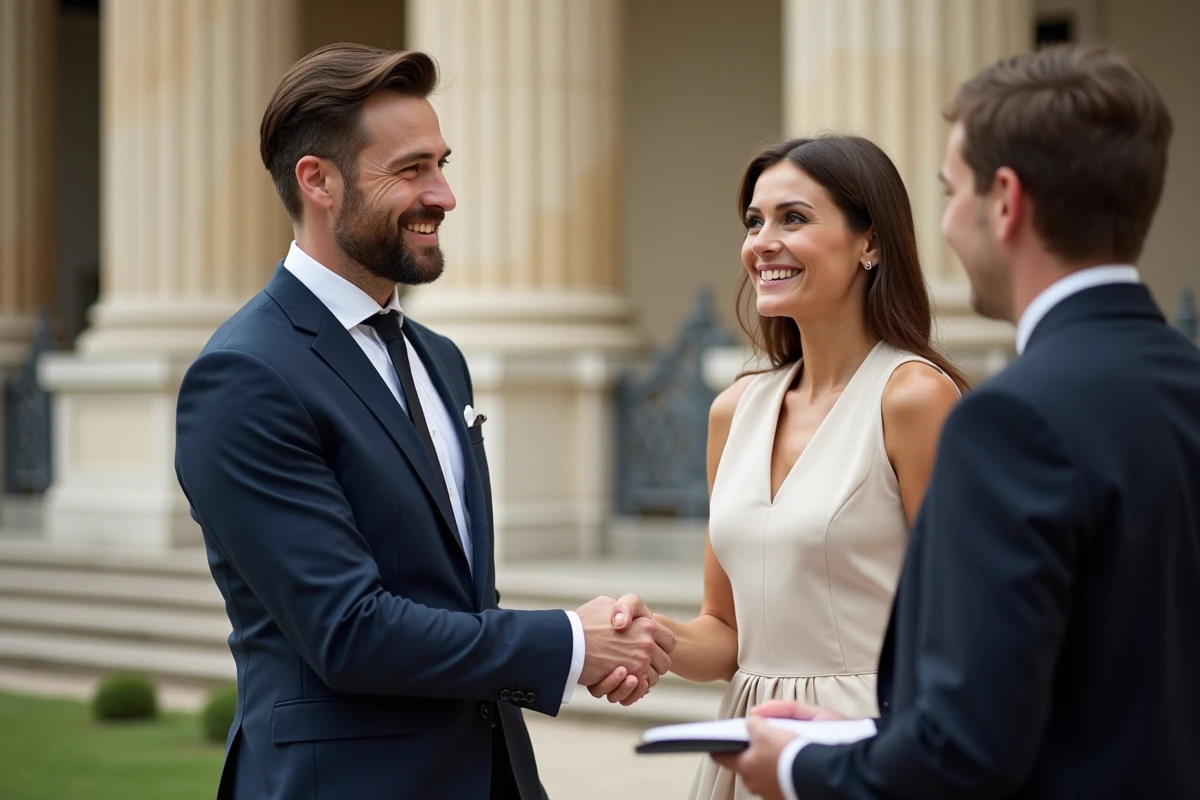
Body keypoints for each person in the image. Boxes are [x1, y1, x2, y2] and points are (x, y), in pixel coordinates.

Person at [174, 44, 673, 800]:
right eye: (411, 170)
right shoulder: (246, 375)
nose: (442, 195)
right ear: (319, 181)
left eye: (441, 164)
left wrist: (587, 653)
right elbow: (349, 632)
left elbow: (452, 596)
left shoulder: (440, 358)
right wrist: (571, 641)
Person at [719, 44, 1200, 800]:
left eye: (951, 192)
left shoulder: (1009, 420)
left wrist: (792, 765)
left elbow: (963, 745)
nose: (942, 225)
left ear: (1004, 201)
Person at [651, 134, 966, 800]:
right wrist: (650, 638)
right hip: (749, 745)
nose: (763, 241)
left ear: (870, 244)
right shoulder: (733, 409)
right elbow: (726, 636)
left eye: (793, 218)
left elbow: (961, 624)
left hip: (867, 748)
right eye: (754, 221)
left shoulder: (914, 398)